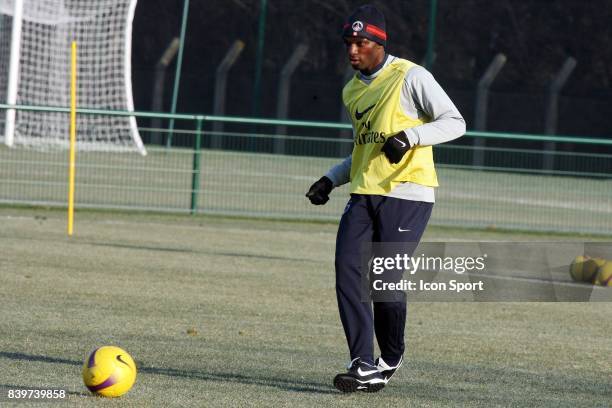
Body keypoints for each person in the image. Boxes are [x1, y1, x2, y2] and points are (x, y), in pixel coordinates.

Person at [306, 4, 466, 393]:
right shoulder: (351, 90)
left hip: (408, 193)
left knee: (383, 279)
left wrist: (409, 137)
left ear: (379, 43)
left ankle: (389, 358)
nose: (352, 50)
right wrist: (330, 179)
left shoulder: (411, 76)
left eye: (361, 42)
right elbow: (365, 149)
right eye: (349, 42)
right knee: (348, 271)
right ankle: (362, 363)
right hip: (363, 193)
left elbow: (455, 122)